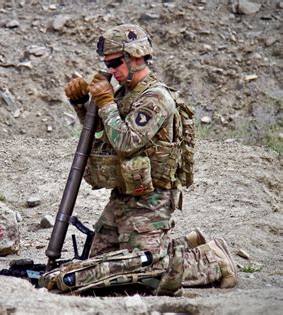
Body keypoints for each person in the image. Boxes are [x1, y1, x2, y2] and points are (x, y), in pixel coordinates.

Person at [50, 24, 237, 294]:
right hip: (122, 197)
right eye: (107, 64)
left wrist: (104, 103)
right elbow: (105, 138)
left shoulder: (156, 98)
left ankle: (213, 260)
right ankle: (185, 245)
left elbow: (127, 142)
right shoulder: (122, 97)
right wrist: (83, 106)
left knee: (141, 272)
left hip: (151, 199)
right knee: (98, 271)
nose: (111, 71)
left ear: (136, 57)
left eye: (115, 63)